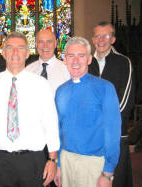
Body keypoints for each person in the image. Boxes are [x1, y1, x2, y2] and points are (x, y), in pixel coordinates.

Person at [0, 32, 60, 187]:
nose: (15, 52)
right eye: (10, 48)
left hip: (32, 161)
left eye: (20, 48)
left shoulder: (41, 85)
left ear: (27, 53)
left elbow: (51, 124)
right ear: (3, 53)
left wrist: (53, 160)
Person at [54, 37, 121, 187]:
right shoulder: (61, 91)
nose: (75, 61)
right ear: (64, 59)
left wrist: (108, 173)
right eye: (71, 56)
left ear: (90, 59)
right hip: (66, 160)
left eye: (81, 56)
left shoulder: (105, 88)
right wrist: (58, 164)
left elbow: (113, 132)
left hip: (93, 162)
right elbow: (59, 131)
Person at [89, 21, 134, 187]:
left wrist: (99, 122)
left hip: (115, 136)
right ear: (93, 39)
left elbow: (125, 102)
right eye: (97, 36)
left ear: (113, 39)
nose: (101, 40)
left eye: (106, 36)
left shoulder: (123, 63)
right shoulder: (86, 64)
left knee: (116, 181)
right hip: (90, 138)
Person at [26, 29, 70, 95]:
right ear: (36, 45)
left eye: (49, 41)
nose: (45, 46)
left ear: (55, 44)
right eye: (41, 42)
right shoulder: (28, 70)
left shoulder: (67, 70)